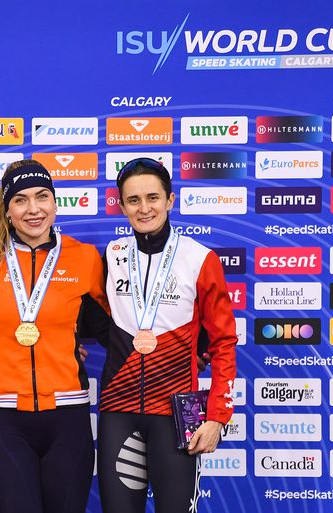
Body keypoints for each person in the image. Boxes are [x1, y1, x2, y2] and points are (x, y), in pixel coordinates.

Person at [0, 159, 110, 513]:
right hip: (7, 417)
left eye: (42, 197)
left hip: (68, 415)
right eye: (21, 200)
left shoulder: (85, 259)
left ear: (55, 203)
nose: (33, 209)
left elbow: (107, 328)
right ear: (7, 209)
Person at [97, 158, 237, 513]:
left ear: (170, 200)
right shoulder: (112, 256)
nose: (144, 208)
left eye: (153, 197)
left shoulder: (199, 259)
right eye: (133, 200)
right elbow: (89, 319)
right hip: (118, 409)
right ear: (122, 205)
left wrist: (218, 416)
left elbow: (222, 342)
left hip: (176, 414)